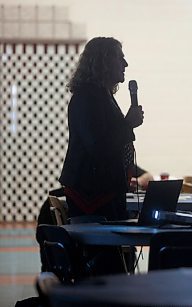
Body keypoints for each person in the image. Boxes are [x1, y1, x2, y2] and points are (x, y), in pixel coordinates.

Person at [59, 37, 144, 221]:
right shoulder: (86, 97)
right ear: (103, 61)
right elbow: (98, 146)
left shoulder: (102, 95)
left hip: (106, 191)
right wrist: (127, 124)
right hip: (90, 196)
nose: (125, 64)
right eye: (120, 58)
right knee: (103, 249)